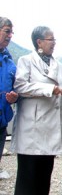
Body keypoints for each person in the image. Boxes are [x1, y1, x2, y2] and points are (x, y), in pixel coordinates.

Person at [11, 26, 62, 195]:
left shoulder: (59, 65)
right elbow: (20, 86)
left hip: (52, 124)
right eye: (50, 39)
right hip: (33, 124)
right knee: (29, 169)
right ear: (39, 42)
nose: (54, 43)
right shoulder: (26, 61)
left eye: (54, 40)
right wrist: (48, 89)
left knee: (46, 169)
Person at [0, 17, 18, 174]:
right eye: (7, 31)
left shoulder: (10, 62)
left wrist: (15, 96)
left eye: (11, 32)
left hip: (2, 121)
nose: (10, 35)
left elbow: (17, 89)